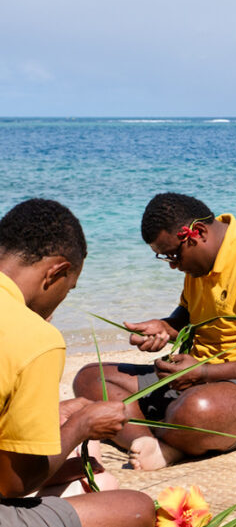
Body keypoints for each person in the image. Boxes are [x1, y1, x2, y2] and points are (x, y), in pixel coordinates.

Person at [73, 193, 236, 470]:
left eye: (174, 255)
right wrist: (164, 327)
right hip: (196, 380)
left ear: (197, 233)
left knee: (198, 410)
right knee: (91, 379)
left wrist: (203, 373)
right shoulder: (200, 262)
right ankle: (151, 442)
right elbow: (188, 317)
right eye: (165, 257)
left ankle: (170, 435)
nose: (174, 265)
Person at [0, 198, 154, 527]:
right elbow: (10, 484)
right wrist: (80, 427)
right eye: (68, 288)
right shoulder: (34, 337)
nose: (60, 301)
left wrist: (57, 417)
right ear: (56, 271)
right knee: (134, 506)